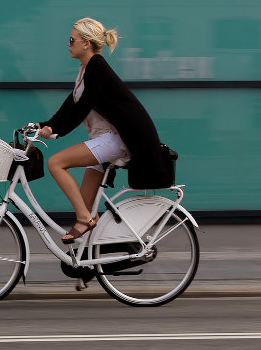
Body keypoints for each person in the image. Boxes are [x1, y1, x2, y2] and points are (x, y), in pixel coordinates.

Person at [36, 17, 166, 244]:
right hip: (102, 140)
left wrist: (56, 132)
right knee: (87, 207)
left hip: (114, 141)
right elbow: (70, 107)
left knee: (55, 163)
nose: (68, 43)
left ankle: (84, 218)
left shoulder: (97, 66)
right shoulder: (86, 70)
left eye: (72, 39)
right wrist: (46, 125)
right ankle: (87, 266)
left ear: (86, 43)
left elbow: (82, 108)